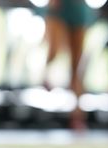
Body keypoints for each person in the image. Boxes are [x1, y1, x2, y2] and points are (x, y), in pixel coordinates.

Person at [43, 0, 93, 129]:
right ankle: (45, 77)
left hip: (77, 8)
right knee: (53, 52)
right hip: (59, 7)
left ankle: (77, 114)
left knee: (77, 66)